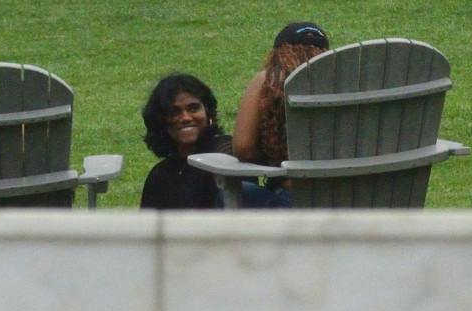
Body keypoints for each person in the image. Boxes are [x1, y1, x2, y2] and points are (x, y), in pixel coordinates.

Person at [230, 21, 332, 207]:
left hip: (293, 198)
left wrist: (272, 162)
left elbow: (244, 147)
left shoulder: (267, 80)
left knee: (229, 194)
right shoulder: (346, 84)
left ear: (276, 55)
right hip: (358, 199)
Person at [138, 72, 232, 210]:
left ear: (208, 113)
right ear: (161, 121)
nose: (186, 117)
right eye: (174, 112)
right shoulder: (159, 175)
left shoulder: (224, 152)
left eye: (194, 108)